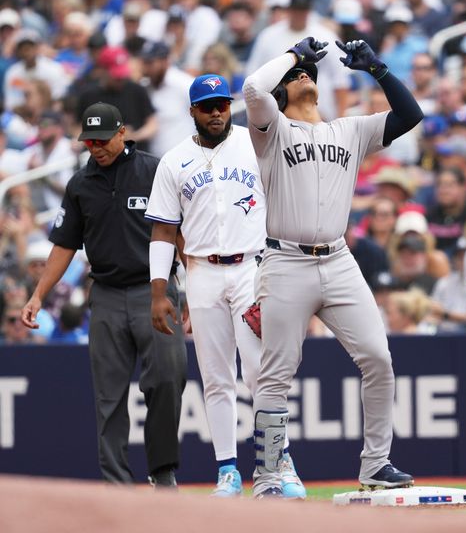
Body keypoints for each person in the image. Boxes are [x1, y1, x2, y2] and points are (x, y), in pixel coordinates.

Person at [242, 37, 422, 496]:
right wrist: (292, 55)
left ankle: (376, 464)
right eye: (296, 77)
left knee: (379, 359)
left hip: (339, 259)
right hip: (285, 260)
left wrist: (378, 69)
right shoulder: (272, 129)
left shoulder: (350, 130)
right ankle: (266, 475)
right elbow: (252, 88)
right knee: (277, 373)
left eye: (308, 74)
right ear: (281, 93)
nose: (304, 77)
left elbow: (409, 115)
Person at [144, 75, 304, 498]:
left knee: (259, 372)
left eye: (222, 104)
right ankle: (228, 470)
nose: (217, 112)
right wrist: (160, 292)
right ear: (192, 111)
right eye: (207, 106)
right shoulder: (173, 160)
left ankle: (279, 464)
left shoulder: (255, 142)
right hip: (201, 272)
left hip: (252, 267)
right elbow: (163, 230)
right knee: (216, 378)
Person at [20, 102, 187, 487]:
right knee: (108, 396)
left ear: (122, 132)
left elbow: (180, 234)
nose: (96, 147)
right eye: (89, 141)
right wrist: (38, 296)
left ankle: (162, 473)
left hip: (155, 289)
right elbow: (64, 245)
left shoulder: (154, 170)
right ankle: (117, 486)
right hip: (107, 294)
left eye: (102, 139)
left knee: (167, 378)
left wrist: (190, 291)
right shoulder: (80, 184)